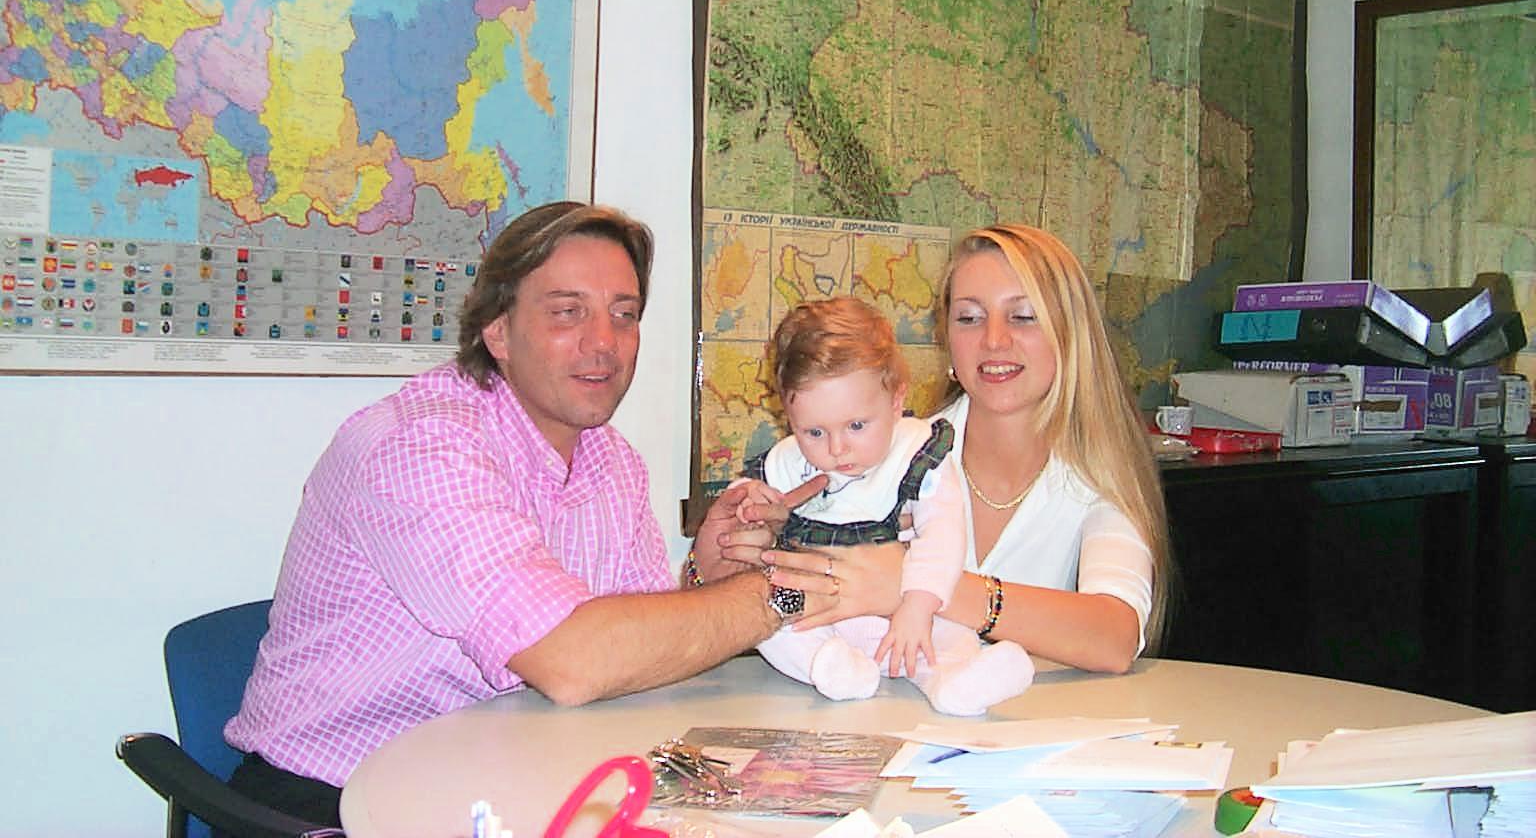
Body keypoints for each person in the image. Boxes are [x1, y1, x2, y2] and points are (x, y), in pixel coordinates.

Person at [223, 201, 826, 826]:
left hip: (503, 773)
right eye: (568, 312)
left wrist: (706, 576)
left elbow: (633, 652)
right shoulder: (420, 447)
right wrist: (787, 593)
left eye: (624, 315)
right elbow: (573, 663)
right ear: (497, 331)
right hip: (332, 798)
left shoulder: (610, 458)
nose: (604, 343)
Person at [697, 224, 1171, 676]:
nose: (994, 339)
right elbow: (785, 598)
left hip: (1022, 722)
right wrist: (722, 565)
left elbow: (1116, 637)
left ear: (1071, 334)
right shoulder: (878, 452)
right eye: (969, 318)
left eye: (1023, 316)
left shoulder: (1097, 473)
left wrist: (920, 585)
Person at [729, 297, 1034, 715]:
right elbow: (750, 494)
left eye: (856, 426)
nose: (837, 448)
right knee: (769, 620)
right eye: (813, 432)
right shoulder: (789, 462)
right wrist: (747, 500)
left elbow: (943, 536)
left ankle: (956, 682)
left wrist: (918, 605)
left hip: (903, 610)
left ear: (894, 401)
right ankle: (830, 666)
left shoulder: (914, 453)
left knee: (948, 635)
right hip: (820, 614)